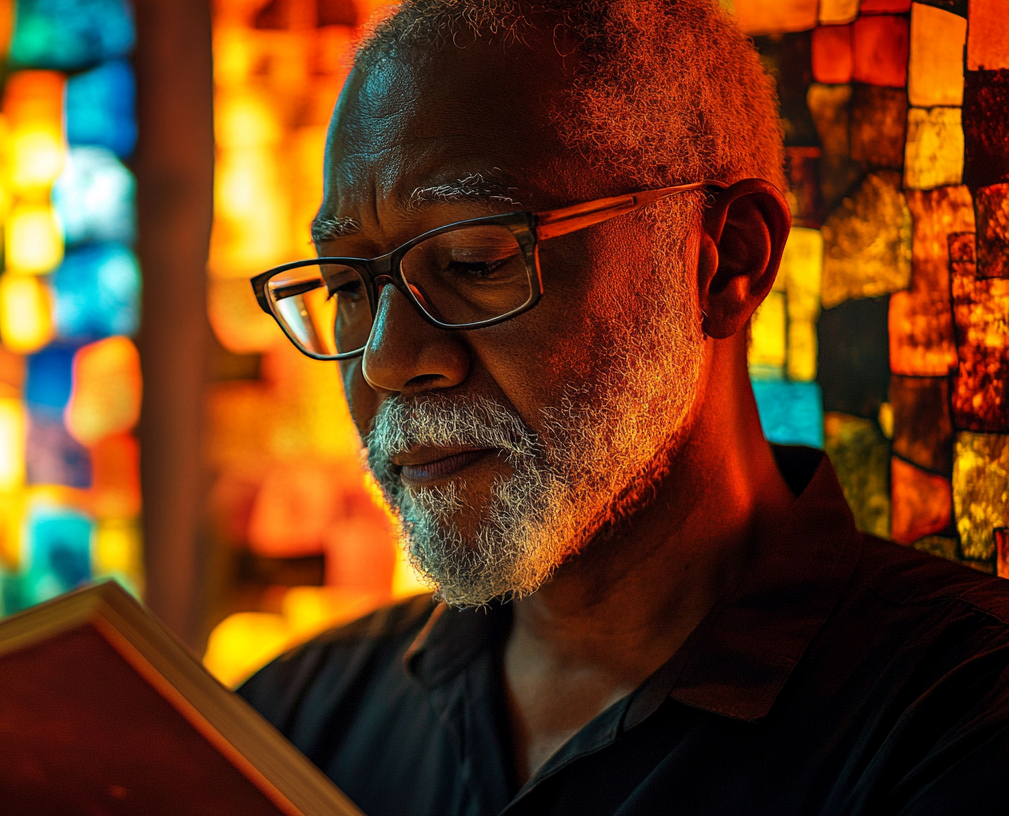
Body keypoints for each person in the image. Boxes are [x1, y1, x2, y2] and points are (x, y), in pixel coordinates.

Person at [234, 1, 1009, 814]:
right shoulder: (289, 728)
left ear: (725, 264)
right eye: (348, 288)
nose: (388, 361)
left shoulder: (958, 720)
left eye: (475, 259)